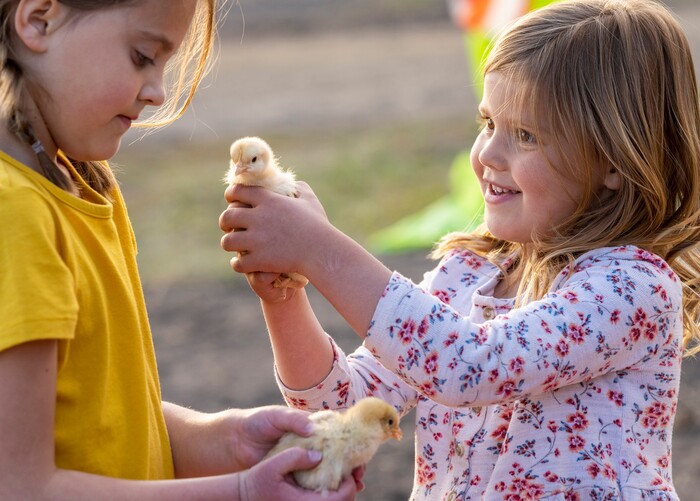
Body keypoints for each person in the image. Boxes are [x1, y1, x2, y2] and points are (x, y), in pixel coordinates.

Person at [219, 0, 700, 498]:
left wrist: (321, 250)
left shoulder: (631, 288)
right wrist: (285, 293)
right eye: (488, 124)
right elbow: (341, 405)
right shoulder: (468, 276)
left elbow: (471, 366)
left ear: (614, 162)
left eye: (526, 135)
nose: (488, 154)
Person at [0, 1, 361, 499]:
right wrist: (240, 492)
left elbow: (101, 422)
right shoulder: (14, 212)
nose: (158, 92)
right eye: (143, 55)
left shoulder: (84, 182)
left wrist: (226, 438)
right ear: (39, 19)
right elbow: (22, 486)